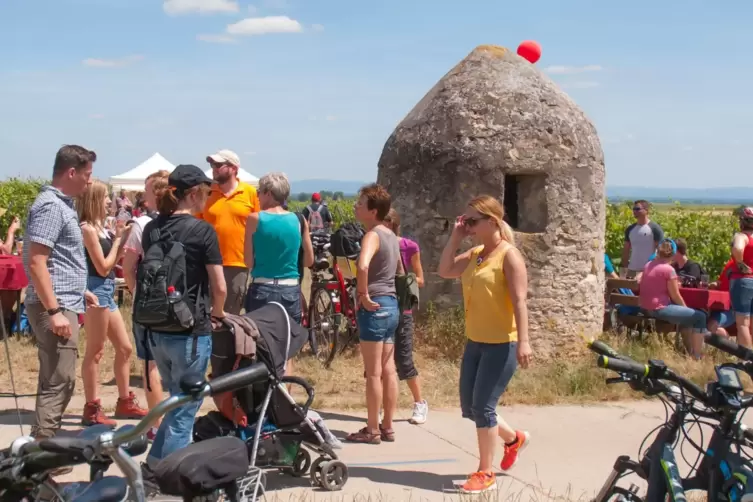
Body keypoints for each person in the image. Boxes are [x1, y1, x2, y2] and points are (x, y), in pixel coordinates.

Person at [438, 194, 532, 494]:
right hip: (475, 341)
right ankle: (513, 438)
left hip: (501, 343)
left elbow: (520, 301)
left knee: (484, 407)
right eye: (465, 221)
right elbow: (445, 270)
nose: (468, 226)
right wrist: (455, 237)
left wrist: (524, 342)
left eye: (472, 221)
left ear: (492, 222)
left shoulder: (509, 256)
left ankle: (485, 472)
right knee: (470, 407)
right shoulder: (477, 254)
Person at [140, 164, 227, 477]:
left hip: (157, 329)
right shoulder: (202, 231)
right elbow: (219, 285)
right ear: (192, 193)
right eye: (204, 192)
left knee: (174, 404)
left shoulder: (152, 229)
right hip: (190, 331)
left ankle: (153, 466)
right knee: (185, 409)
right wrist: (217, 314)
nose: (206, 197)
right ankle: (170, 478)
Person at [22, 145, 98, 439]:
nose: (89, 181)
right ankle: (41, 457)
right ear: (71, 172)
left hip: (63, 300)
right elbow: (37, 261)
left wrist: (80, 292)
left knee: (58, 380)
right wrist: (54, 311)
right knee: (58, 381)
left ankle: (41, 452)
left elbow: (56, 260)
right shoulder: (52, 206)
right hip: (52, 306)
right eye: (87, 174)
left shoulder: (60, 204)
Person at [78, 180, 147, 425]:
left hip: (105, 288)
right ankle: (92, 407)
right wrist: (119, 240)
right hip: (96, 290)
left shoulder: (101, 227)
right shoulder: (87, 228)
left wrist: (120, 241)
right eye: (106, 197)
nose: (110, 201)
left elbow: (112, 262)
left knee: (125, 348)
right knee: (95, 352)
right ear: (94, 199)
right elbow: (103, 266)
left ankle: (123, 401)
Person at [345, 184, 403, 445]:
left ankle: (371, 429)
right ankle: (387, 425)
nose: (357, 206)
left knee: (372, 373)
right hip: (391, 305)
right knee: (389, 369)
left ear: (373, 210)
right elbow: (399, 270)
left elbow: (363, 264)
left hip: (375, 305)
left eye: (361, 202)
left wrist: (363, 294)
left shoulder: (371, 236)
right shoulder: (391, 235)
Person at [122, 170, 169, 440]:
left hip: (148, 302)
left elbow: (128, 268)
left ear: (156, 194)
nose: (143, 194)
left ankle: (156, 424)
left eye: (147, 190)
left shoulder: (141, 225)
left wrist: (136, 292)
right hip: (177, 302)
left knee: (150, 362)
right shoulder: (184, 222)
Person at [243, 172, 313, 323]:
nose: (258, 196)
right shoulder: (299, 220)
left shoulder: (254, 219)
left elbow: (248, 262)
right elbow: (309, 260)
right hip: (290, 289)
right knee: (288, 340)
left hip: (262, 288)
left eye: (259, 192)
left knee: (261, 342)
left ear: (268, 193)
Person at [199, 150, 260, 314]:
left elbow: (260, 227)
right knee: (206, 312)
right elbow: (196, 224)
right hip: (207, 262)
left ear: (233, 168)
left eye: (219, 165)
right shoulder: (207, 193)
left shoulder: (250, 193)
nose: (214, 168)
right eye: (212, 164)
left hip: (237, 264)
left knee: (230, 315)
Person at [383, 209, 428, 425]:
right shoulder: (374, 244)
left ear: (392, 224)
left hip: (402, 309)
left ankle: (420, 403)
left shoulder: (409, 246)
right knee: (382, 362)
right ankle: (385, 407)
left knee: (404, 359)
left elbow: (420, 279)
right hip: (381, 307)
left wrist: (403, 279)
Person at [639, 238, 706, 357]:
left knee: (689, 317)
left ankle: (688, 350)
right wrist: (686, 309)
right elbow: (675, 296)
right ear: (674, 253)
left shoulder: (648, 265)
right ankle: (696, 355)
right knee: (700, 317)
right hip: (659, 309)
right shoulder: (669, 270)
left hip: (645, 307)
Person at [620, 200, 664, 280]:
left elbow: (661, 251)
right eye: (633, 209)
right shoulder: (630, 229)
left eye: (637, 209)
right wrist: (623, 271)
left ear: (646, 210)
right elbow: (626, 251)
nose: (634, 211)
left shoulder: (655, 229)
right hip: (632, 270)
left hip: (649, 270)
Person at [729, 207, 753, 348]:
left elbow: (738, 248)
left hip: (743, 280)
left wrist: (740, 263)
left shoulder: (742, 236)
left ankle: (748, 359)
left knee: (743, 323)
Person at [708, 258, 736, 337]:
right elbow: (720, 282)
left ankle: (730, 347)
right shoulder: (730, 264)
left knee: (711, 326)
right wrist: (715, 284)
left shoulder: (747, 267)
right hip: (719, 305)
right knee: (698, 320)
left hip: (733, 309)